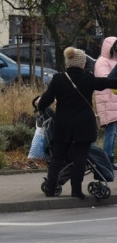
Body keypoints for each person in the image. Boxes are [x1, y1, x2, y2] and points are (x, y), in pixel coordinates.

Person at [38, 47, 117, 200]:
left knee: (57, 158)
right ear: (82, 63)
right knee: (80, 159)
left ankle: (50, 188)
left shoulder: (58, 79)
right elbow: (108, 82)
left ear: (68, 63)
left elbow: (45, 101)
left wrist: (39, 105)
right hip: (84, 126)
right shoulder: (88, 78)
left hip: (63, 125)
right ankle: (76, 191)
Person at [93, 36, 117, 166]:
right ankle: (107, 159)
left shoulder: (114, 61)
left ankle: (109, 158)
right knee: (111, 132)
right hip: (108, 101)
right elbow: (105, 80)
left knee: (113, 132)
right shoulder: (102, 62)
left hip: (114, 101)